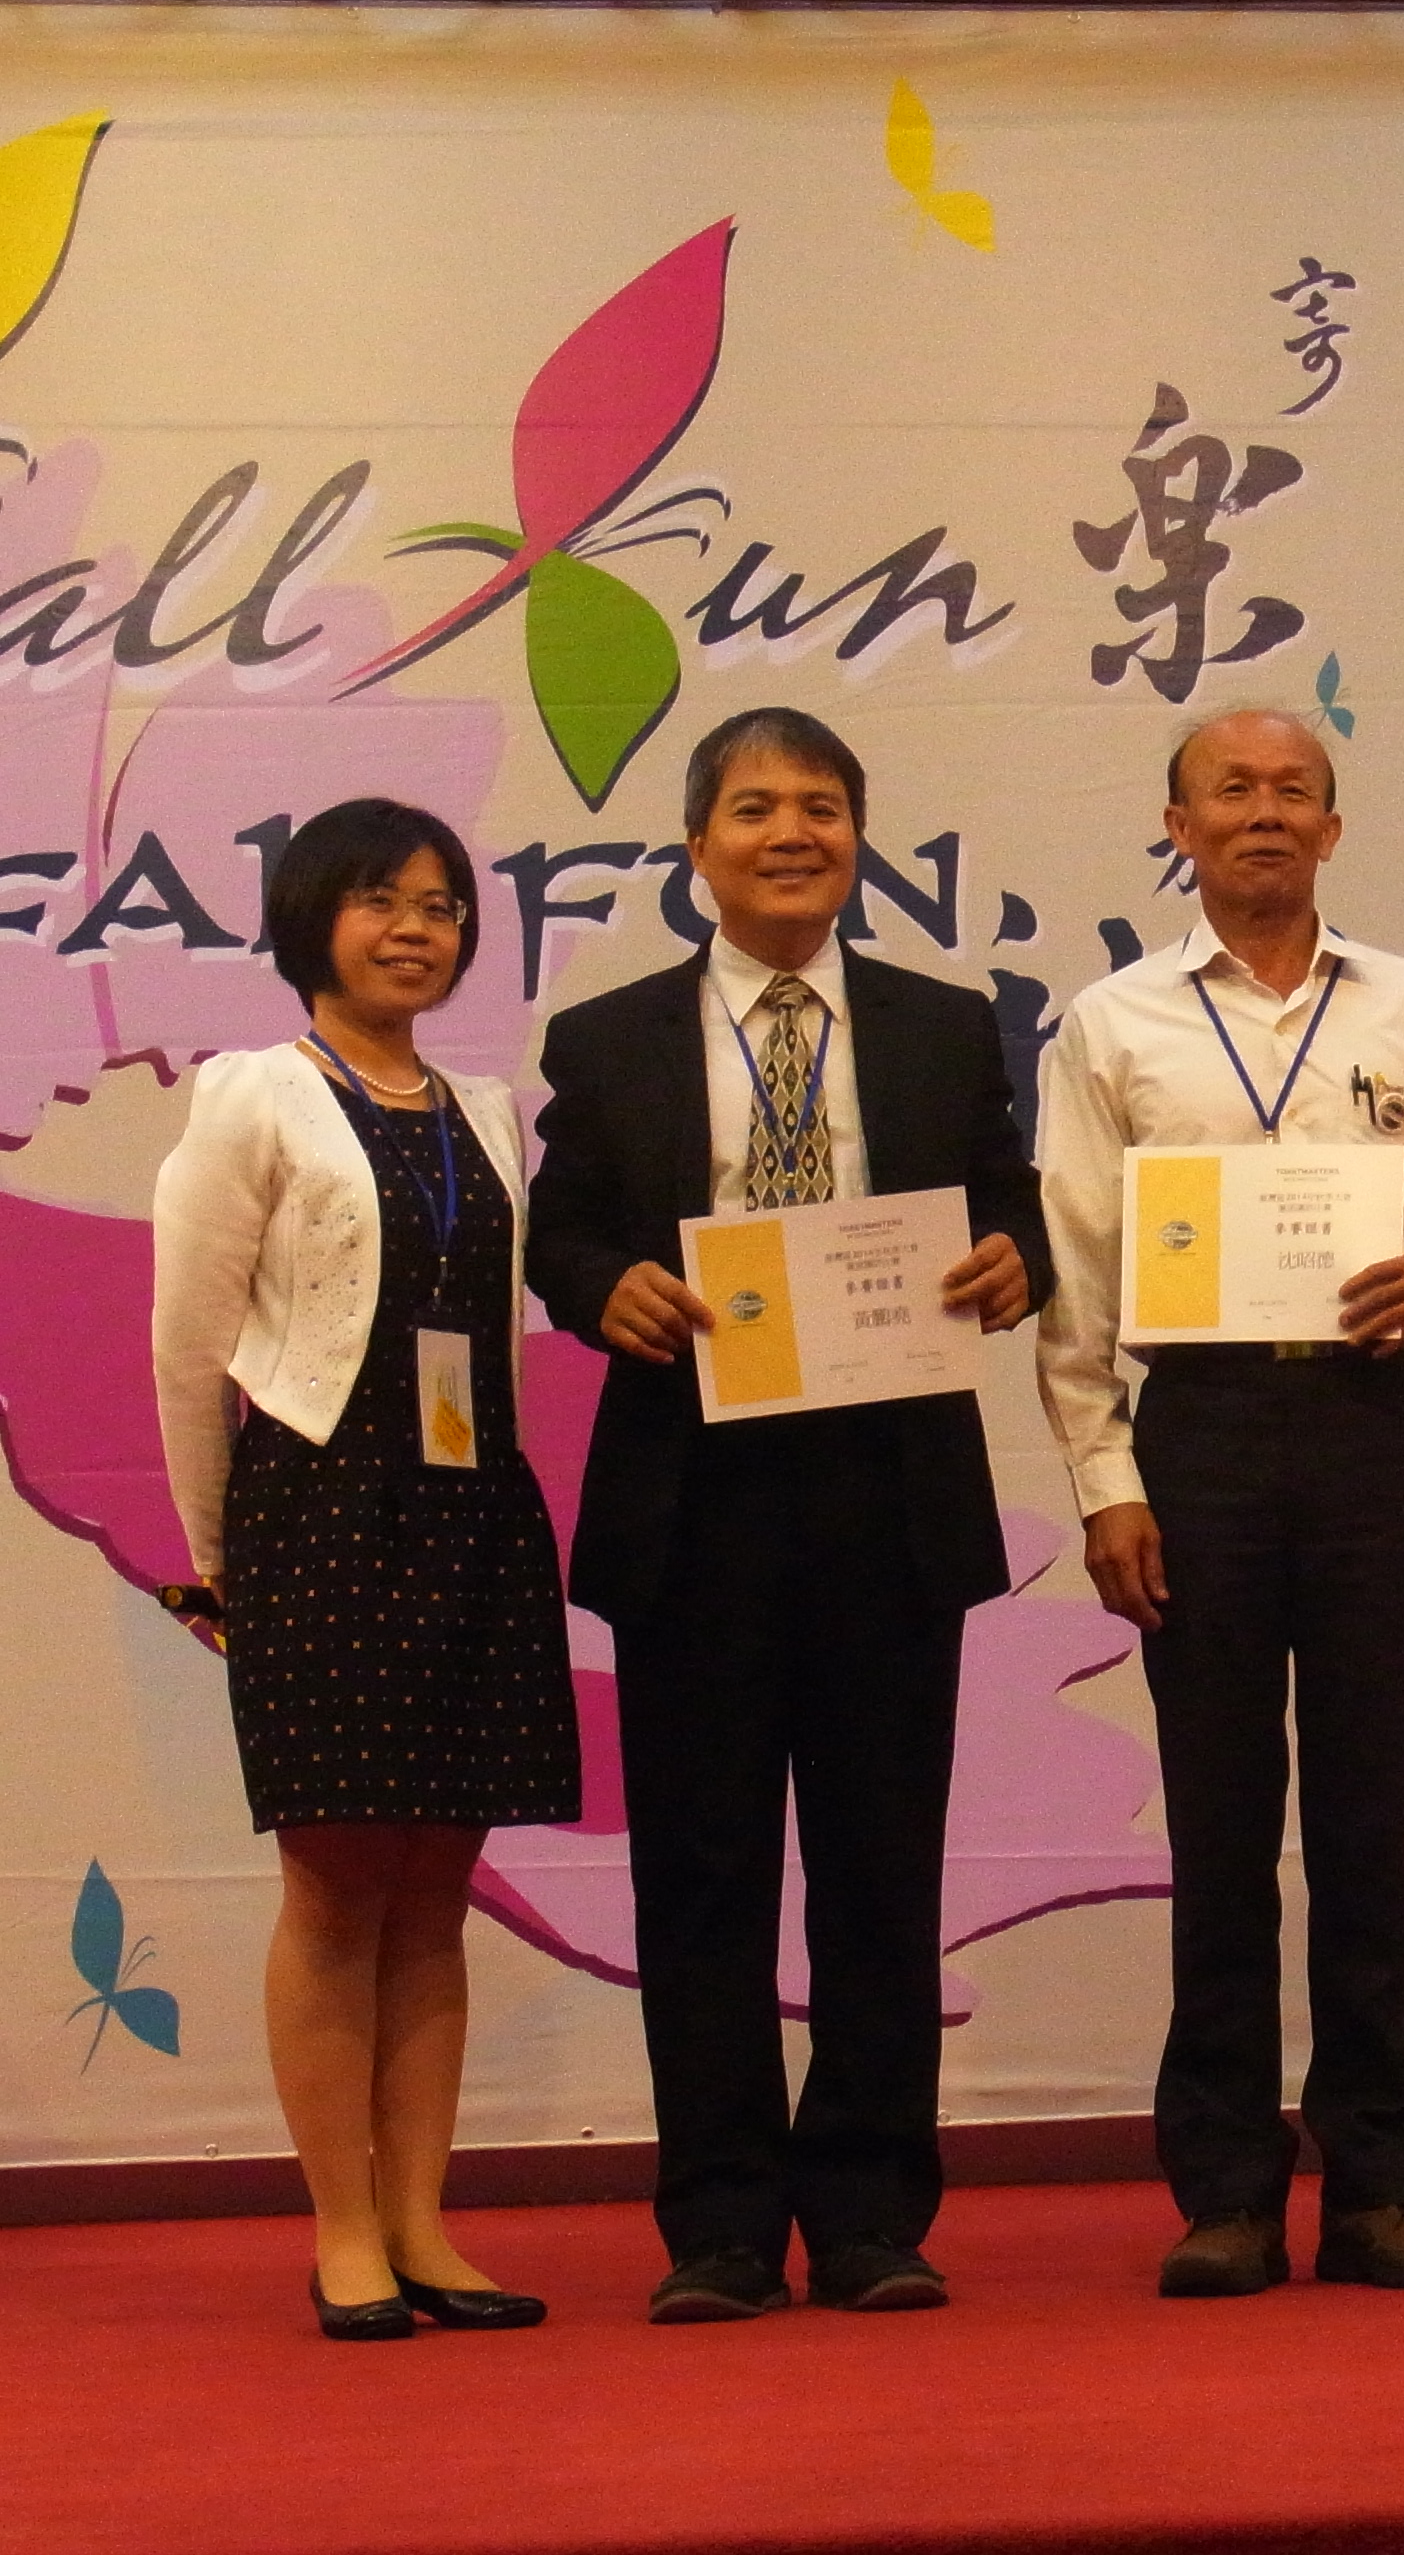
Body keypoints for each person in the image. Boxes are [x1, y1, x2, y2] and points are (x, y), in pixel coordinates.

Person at [524, 707, 1048, 2322]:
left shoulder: (942, 1027)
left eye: (821, 807)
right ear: (698, 849)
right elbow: (561, 1233)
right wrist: (604, 1287)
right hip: (695, 1504)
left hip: (887, 1496)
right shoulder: (605, 1038)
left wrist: (1017, 1259)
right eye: (755, 810)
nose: (792, 835)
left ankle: (874, 2213)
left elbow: (1013, 1201)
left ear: (856, 840)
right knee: (703, 1878)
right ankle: (723, 2225)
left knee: (882, 1872)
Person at [1034, 707, 1404, 2299]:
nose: (1263, 812)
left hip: (1370, 1416)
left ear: (1333, 826)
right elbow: (1077, 1281)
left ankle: (1385, 2186)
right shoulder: (1112, 1025)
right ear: (1176, 825)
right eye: (1230, 790)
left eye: (1292, 791)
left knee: (1372, 1813)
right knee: (1221, 1820)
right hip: (1202, 1434)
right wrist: (1106, 1482)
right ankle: (1228, 2190)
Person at [151, 798, 579, 2340]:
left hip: (472, 1509)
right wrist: (219, 1564)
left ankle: (423, 2226)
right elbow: (189, 1348)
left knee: (437, 1895)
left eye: (442, 905)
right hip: (319, 1515)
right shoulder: (254, 1093)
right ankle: (342, 2230)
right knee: (334, 1887)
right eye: (381, 899)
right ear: (310, 920)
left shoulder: (488, 1109)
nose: (415, 928)